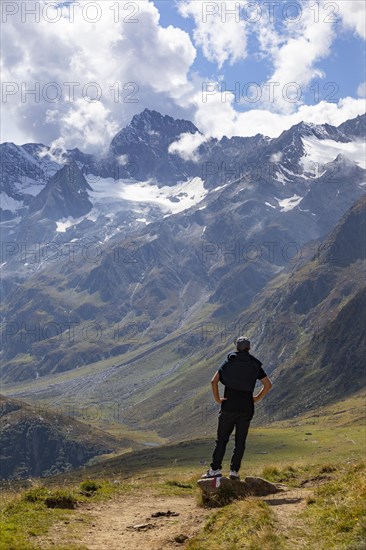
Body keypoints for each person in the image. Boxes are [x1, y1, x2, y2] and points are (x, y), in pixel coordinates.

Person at [202, 336, 272, 480]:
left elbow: (213, 381)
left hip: (229, 405)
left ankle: (215, 470)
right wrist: (257, 398)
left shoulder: (230, 360)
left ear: (237, 348)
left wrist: (217, 399)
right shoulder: (255, 364)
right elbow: (267, 384)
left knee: (222, 439)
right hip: (246, 407)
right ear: (249, 348)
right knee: (240, 441)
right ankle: (234, 472)